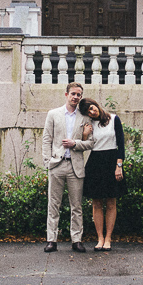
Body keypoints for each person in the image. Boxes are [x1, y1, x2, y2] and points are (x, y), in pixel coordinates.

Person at [41, 82, 93, 252]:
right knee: (53, 204)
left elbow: (90, 143)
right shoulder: (53, 114)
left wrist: (75, 143)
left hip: (75, 167)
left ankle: (76, 240)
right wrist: (47, 161)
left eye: (79, 94)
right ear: (66, 94)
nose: (76, 97)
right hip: (57, 165)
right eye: (73, 94)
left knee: (76, 206)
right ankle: (51, 240)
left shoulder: (85, 118)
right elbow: (47, 139)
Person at [78, 97, 125, 251]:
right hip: (95, 162)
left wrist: (119, 166)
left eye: (92, 108)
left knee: (111, 202)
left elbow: (121, 144)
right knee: (97, 203)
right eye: (88, 112)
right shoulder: (89, 124)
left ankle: (108, 238)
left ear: (96, 104)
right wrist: (85, 135)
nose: (92, 112)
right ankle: (100, 238)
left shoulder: (114, 119)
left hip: (112, 161)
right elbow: (86, 145)